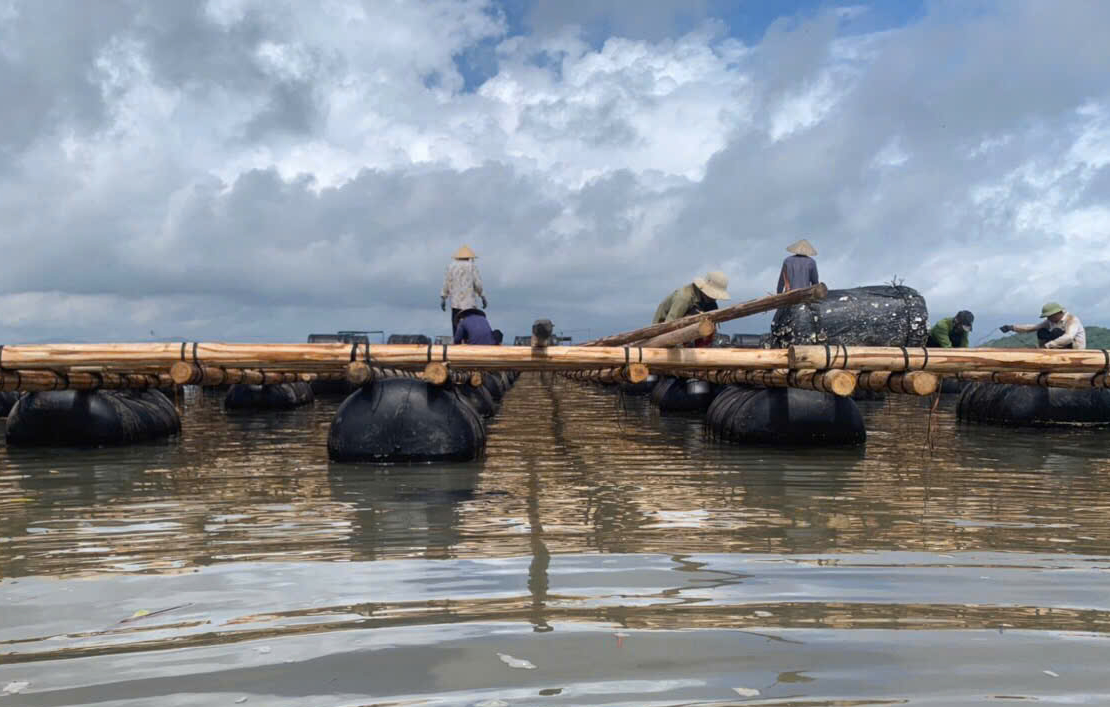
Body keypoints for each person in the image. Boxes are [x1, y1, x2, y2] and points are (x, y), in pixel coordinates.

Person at [653, 271, 730, 347]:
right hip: (664, 333)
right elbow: (669, 326)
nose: (715, 299)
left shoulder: (710, 303)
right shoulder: (684, 298)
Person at [1000, 302, 1086, 349]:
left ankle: (1045, 349)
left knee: (1056, 332)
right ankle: (1044, 350)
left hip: (1074, 348)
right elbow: (1033, 328)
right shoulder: (1050, 321)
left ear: (1057, 313)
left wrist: (1048, 345)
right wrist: (1012, 327)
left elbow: (1069, 337)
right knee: (1041, 331)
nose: (1048, 318)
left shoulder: (1072, 320)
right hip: (1056, 346)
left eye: (1050, 316)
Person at [441, 245, 486, 330]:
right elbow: (478, 284)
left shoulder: (451, 267)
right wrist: (483, 296)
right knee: (470, 329)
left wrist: (443, 298)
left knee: (457, 328)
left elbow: (446, 283)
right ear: (469, 257)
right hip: (469, 305)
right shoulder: (472, 266)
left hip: (456, 304)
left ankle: (457, 342)